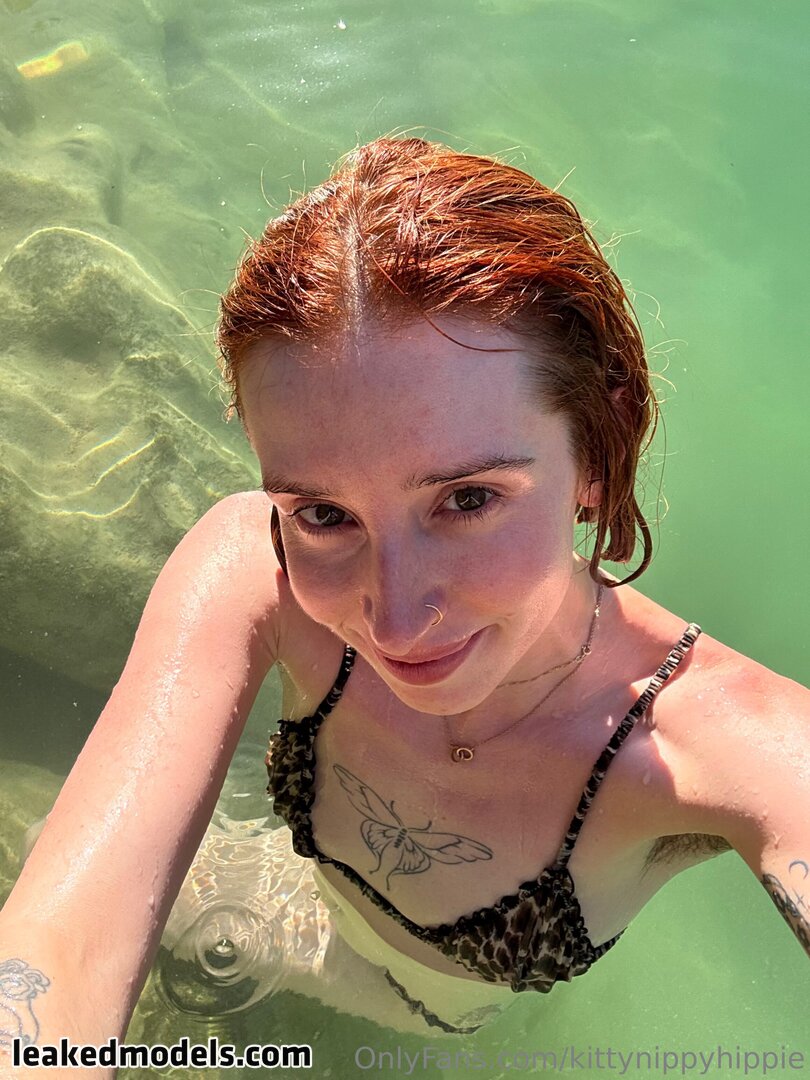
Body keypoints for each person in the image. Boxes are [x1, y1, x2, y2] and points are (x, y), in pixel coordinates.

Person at [1, 136, 808, 1065]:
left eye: (467, 499)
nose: (391, 623)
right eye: (324, 513)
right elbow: (62, 946)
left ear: (597, 444)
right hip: (272, 908)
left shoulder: (727, 746)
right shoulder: (257, 568)